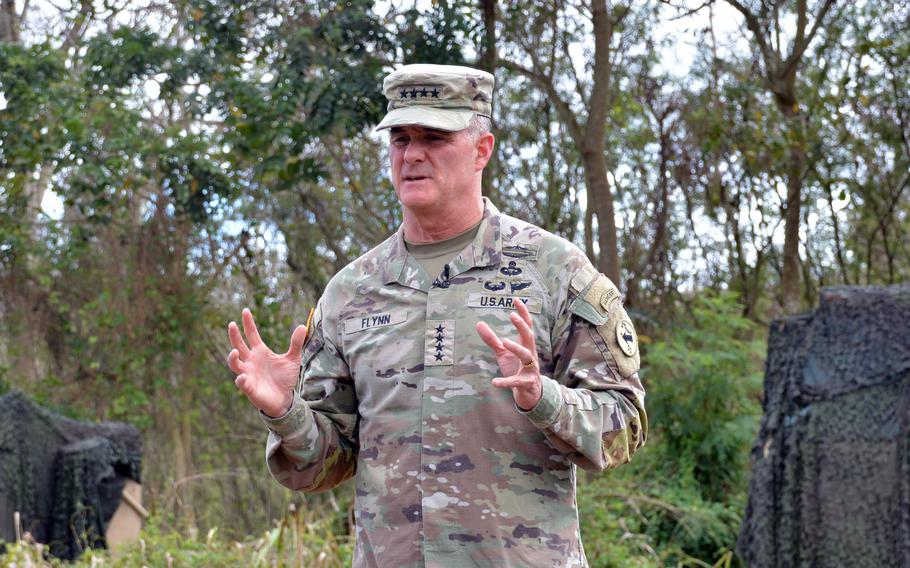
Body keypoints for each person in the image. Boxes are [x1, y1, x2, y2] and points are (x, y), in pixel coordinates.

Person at [227, 63, 647, 567]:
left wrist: (545, 399)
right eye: (400, 138)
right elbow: (324, 466)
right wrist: (285, 413)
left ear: (481, 150)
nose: (413, 155)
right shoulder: (351, 291)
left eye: (434, 137)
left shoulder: (554, 272)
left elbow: (625, 426)